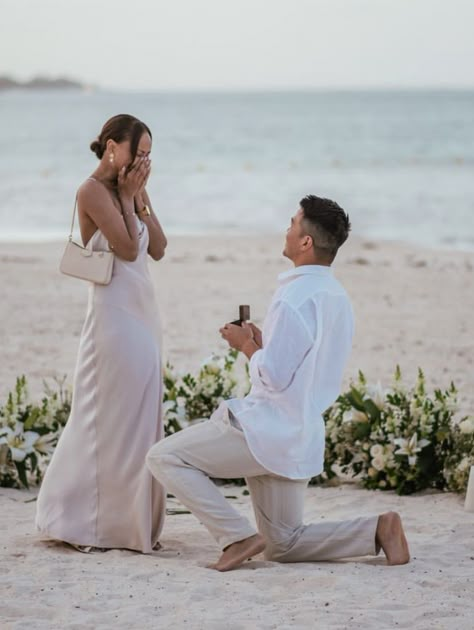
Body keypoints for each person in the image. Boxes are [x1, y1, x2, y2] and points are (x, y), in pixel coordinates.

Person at [146, 195, 410, 571]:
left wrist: (246, 347)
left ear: (306, 242)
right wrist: (261, 343)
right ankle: (378, 530)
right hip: (298, 432)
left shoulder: (293, 298)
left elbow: (273, 376)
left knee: (164, 456)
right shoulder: (336, 296)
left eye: (292, 223)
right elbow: (303, 364)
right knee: (283, 546)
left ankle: (235, 536)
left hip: (266, 430)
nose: (286, 230)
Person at [36, 114, 167, 553]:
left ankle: (131, 523)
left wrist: (140, 196)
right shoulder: (91, 191)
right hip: (113, 316)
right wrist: (129, 199)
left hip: (143, 310)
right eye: (139, 152)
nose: (144, 161)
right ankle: (87, 519)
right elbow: (128, 250)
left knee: (143, 414)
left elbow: (160, 248)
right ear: (113, 146)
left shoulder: (133, 190)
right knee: (109, 415)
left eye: (149, 154)